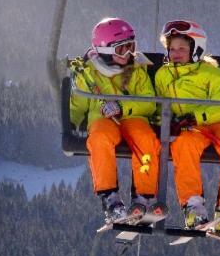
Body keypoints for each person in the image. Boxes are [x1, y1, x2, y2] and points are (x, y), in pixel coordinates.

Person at [154, 19, 220, 239]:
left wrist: (196, 116)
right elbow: (159, 102)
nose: (176, 53)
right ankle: (193, 207)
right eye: (172, 49)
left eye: (182, 48)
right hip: (191, 130)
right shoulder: (163, 75)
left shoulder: (212, 74)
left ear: (195, 49)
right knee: (183, 146)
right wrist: (165, 119)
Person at [69, 17, 162, 223]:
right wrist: (71, 124)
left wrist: (122, 107)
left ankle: (144, 196)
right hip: (103, 120)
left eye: (131, 47)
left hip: (134, 118)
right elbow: (78, 106)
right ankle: (110, 198)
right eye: (122, 49)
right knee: (99, 139)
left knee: (146, 139)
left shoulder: (137, 70)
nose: (129, 54)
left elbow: (149, 102)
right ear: (106, 51)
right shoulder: (89, 74)